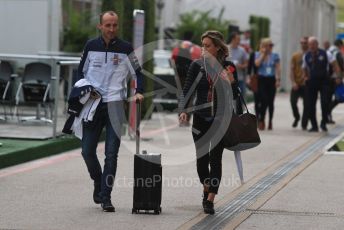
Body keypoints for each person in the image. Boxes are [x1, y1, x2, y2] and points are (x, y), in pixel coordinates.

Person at [77, 11, 144, 212]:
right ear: (100, 26)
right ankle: (99, 181)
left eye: (115, 25)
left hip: (115, 104)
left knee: (111, 154)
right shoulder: (91, 46)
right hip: (93, 104)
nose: (112, 29)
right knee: (87, 151)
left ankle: (106, 197)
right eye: (108, 25)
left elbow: (137, 73)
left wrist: (138, 91)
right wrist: (83, 91)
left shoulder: (126, 48)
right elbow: (80, 72)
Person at [179, 30, 239, 215]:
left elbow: (235, 94)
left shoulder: (228, 67)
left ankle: (210, 199)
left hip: (221, 120)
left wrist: (230, 81)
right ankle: (207, 187)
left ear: (217, 47)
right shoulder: (197, 66)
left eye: (207, 45)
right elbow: (187, 90)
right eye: (202, 45)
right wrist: (183, 110)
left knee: (216, 160)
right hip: (200, 118)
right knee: (201, 162)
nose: (203, 48)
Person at [302, 37, 339, 132]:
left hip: (324, 81)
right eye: (310, 44)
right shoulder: (306, 55)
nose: (311, 46)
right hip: (312, 82)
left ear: (317, 44)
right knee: (310, 104)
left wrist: (338, 76)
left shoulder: (326, 53)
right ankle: (314, 126)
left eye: (313, 44)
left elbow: (335, 65)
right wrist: (305, 77)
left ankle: (324, 122)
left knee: (325, 102)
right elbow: (304, 68)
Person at [172, 31, 201, 126]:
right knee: (190, 98)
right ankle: (187, 120)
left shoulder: (178, 47)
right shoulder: (195, 48)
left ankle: (180, 118)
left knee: (180, 97)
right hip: (191, 76)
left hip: (179, 76)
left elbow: (172, 60)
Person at [255, 38, 281, 130]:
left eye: (271, 45)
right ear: (264, 46)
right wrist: (263, 54)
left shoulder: (275, 55)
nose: (271, 47)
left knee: (271, 101)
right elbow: (257, 64)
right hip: (262, 79)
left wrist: (278, 79)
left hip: (271, 79)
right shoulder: (258, 54)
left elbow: (278, 68)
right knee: (263, 99)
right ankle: (262, 119)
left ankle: (270, 120)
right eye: (269, 45)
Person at [290, 36, 309, 130]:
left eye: (305, 43)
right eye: (302, 43)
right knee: (293, 102)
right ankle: (297, 117)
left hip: (307, 84)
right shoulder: (296, 56)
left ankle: (304, 123)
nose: (303, 44)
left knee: (307, 104)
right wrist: (293, 82)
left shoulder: (312, 55)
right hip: (297, 84)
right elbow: (292, 70)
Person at [227, 32, 249, 97]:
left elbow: (246, 64)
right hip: (227, 79)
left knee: (240, 99)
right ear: (233, 39)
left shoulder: (242, 50)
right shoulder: (225, 49)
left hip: (239, 79)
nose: (239, 41)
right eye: (238, 39)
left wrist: (240, 66)